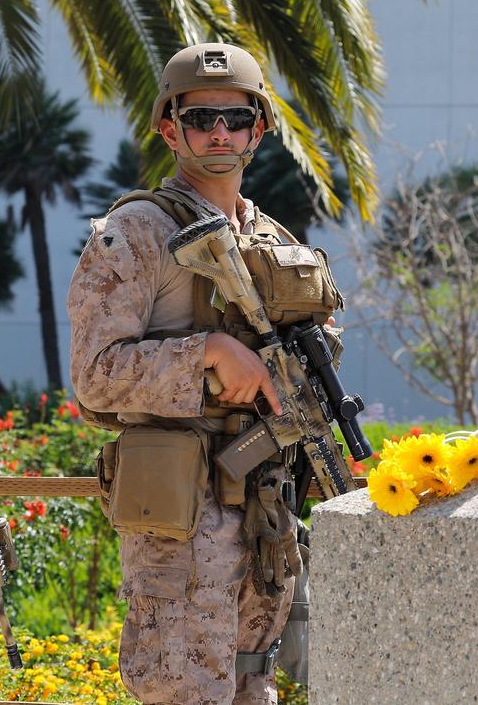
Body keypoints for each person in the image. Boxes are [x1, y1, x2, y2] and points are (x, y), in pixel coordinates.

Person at [67, 43, 337, 704]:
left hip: (264, 507)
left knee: (254, 687)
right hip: (181, 519)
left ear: (259, 130)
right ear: (169, 129)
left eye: (236, 119)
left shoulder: (273, 239)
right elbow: (94, 376)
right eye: (200, 119)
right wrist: (208, 352)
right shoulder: (137, 231)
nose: (220, 133)